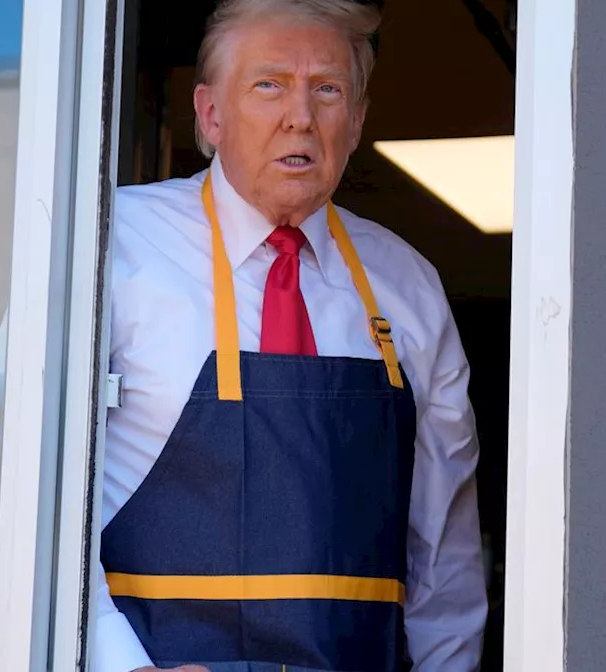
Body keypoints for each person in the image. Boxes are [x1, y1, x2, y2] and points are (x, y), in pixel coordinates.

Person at [94, 0, 487, 670]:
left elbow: (442, 557)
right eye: (268, 84)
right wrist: (121, 664)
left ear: (357, 121)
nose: (300, 115)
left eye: (327, 89)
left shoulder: (408, 286)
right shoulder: (109, 245)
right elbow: (20, 492)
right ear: (211, 114)